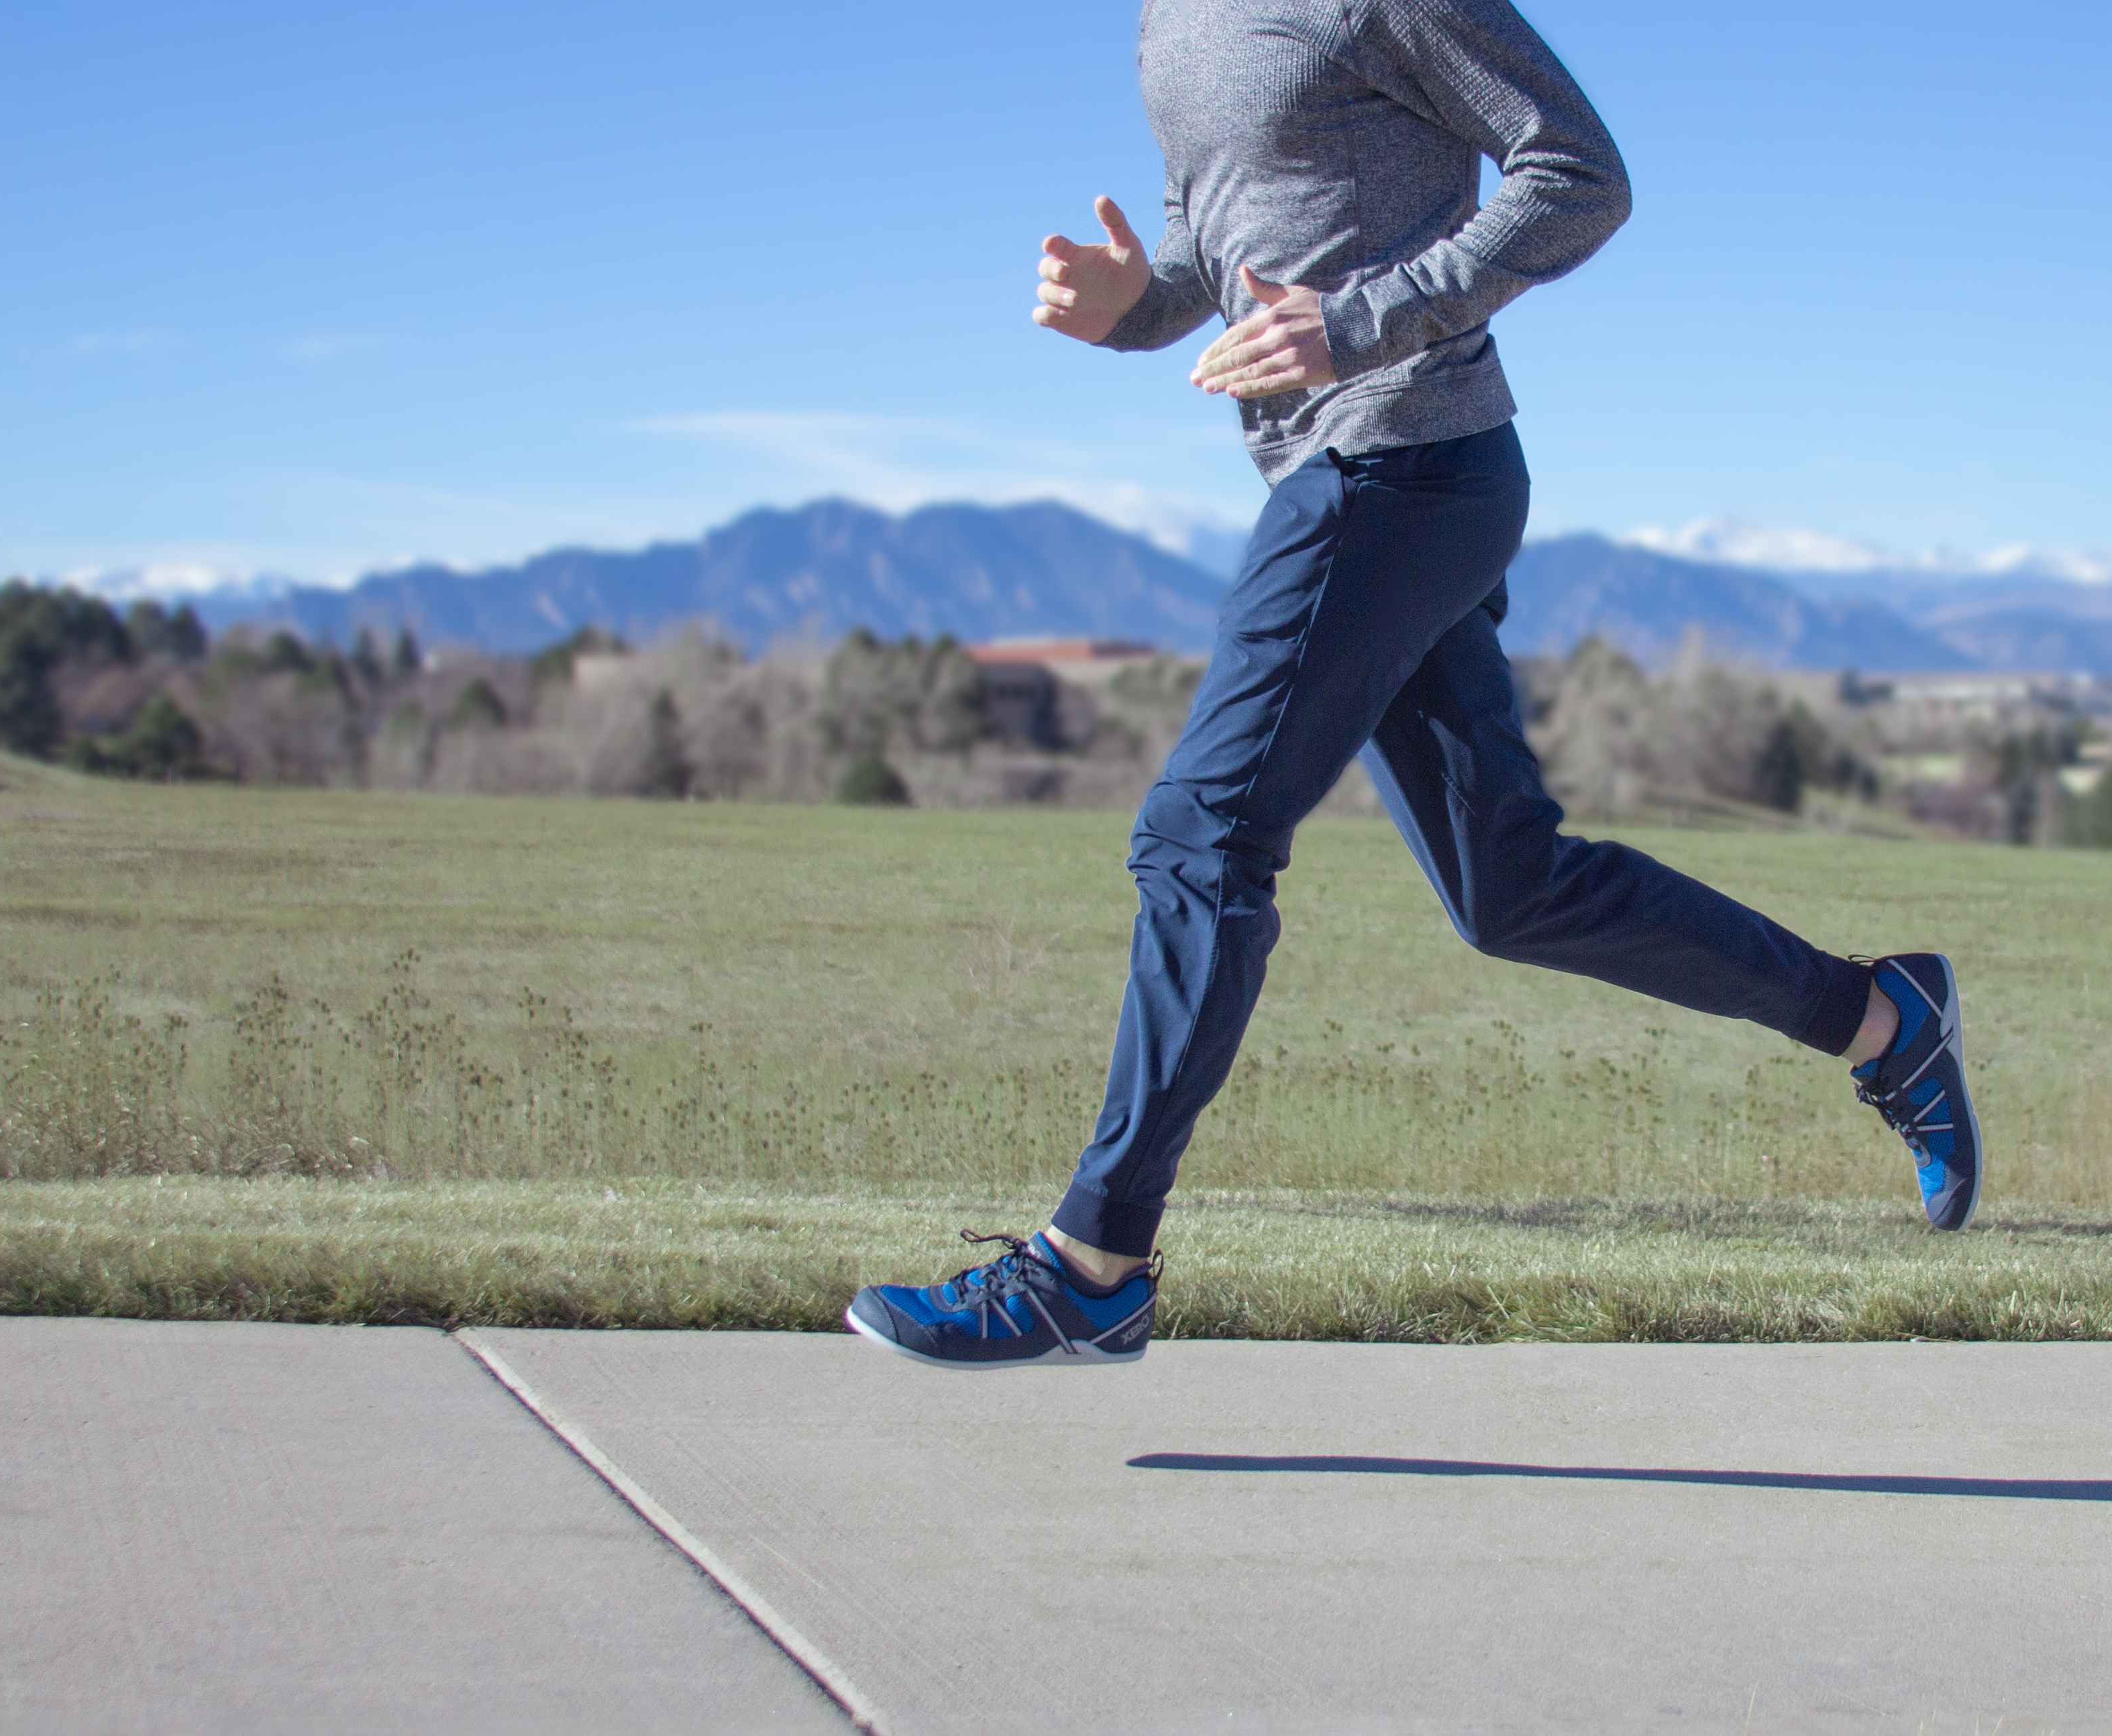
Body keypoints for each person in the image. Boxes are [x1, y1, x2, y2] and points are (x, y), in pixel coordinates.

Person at [846, 0, 1982, 1369]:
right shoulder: (1167, 22)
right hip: (1357, 473)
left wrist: (1368, 319)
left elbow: (1579, 174)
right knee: (1511, 888)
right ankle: (1881, 1020)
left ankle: (1093, 1262)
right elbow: (1230, 240)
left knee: (1201, 836)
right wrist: (1132, 307)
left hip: (1404, 462)